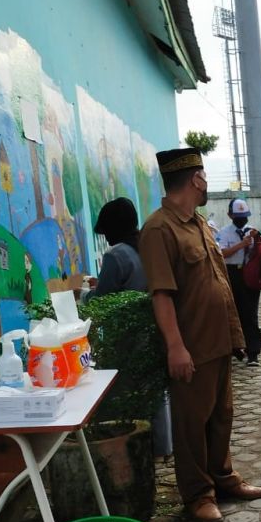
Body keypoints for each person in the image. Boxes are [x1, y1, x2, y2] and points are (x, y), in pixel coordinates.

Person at [139, 148, 261, 522]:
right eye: (205, 176)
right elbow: (162, 293)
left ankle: (223, 478)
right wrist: (175, 347)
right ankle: (197, 495)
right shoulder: (160, 229)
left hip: (219, 340)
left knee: (221, 414)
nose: (207, 182)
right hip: (192, 345)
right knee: (192, 423)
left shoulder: (197, 224)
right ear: (195, 179)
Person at [85, 196, 172, 459]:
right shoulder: (150, 247)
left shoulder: (116, 255)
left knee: (126, 393)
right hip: (155, 329)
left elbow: (102, 301)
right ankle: (163, 446)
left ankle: (131, 451)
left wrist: (86, 294)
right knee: (156, 392)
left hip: (127, 337)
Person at [216, 199, 261, 367]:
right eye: (238, 216)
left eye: (244, 216)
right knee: (233, 312)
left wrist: (257, 241)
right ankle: (235, 348)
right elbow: (221, 253)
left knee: (250, 314)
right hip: (232, 273)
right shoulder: (224, 232)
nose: (242, 219)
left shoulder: (253, 232)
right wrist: (241, 244)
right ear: (230, 215)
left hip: (250, 274)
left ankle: (253, 353)